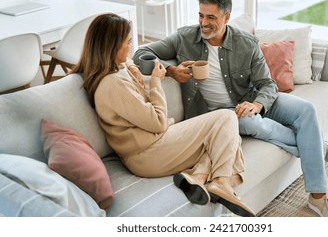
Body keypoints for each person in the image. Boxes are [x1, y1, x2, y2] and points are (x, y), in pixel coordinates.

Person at [133, 0, 328, 217]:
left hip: (251, 98)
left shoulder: (246, 43)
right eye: (201, 16)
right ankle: (317, 152)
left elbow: (267, 84)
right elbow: (141, 53)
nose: (203, 24)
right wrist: (170, 70)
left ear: (226, 17)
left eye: (211, 18)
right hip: (219, 115)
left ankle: (316, 192)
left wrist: (257, 104)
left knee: (306, 109)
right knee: (255, 124)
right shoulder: (184, 38)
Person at [71, 13, 255, 217]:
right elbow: (158, 122)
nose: (131, 47)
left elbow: (128, 62)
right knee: (227, 118)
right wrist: (156, 81)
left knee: (225, 138)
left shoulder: (111, 72)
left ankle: (199, 179)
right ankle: (222, 181)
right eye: (128, 42)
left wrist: (136, 68)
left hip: (150, 147)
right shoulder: (113, 85)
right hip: (147, 154)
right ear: (112, 46)